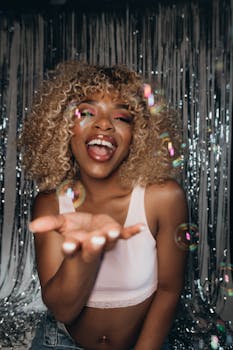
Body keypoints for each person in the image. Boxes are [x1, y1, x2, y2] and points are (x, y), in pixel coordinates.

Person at [20, 61, 188, 350]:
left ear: (138, 135)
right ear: (64, 128)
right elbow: (63, 311)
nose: (104, 124)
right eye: (86, 112)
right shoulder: (50, 205)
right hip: (60, 343)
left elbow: (169, 290)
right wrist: (85, 254)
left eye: (121, 117)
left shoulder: (163, 198)